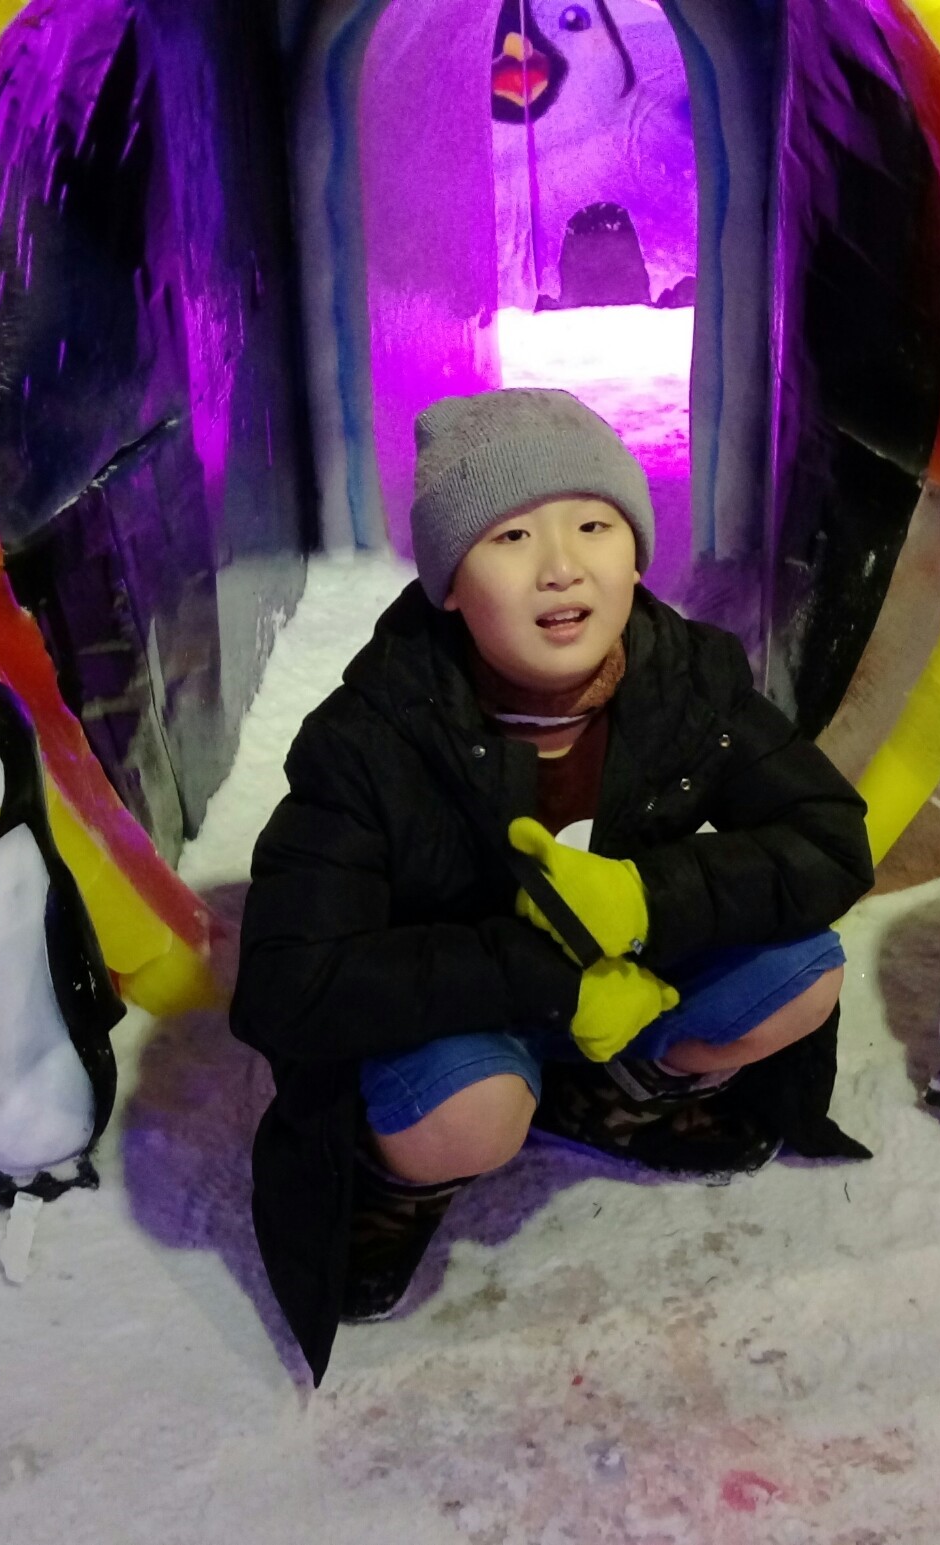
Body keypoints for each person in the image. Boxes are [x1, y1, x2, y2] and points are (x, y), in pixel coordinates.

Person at [230, 388, 874, 1381]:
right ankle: (400, 1179)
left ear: (635, 553)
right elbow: (289, 983)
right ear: (450, 584)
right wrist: (551, 973)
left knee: (803, 970)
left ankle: (604, 1097)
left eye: (593, 525)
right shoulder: (375, 733)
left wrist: (647, 898)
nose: (561, 566)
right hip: (458, 1018)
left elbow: (829, 840)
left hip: (629, 981)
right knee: (476, 1109)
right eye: (511, 535)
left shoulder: (685, 680)